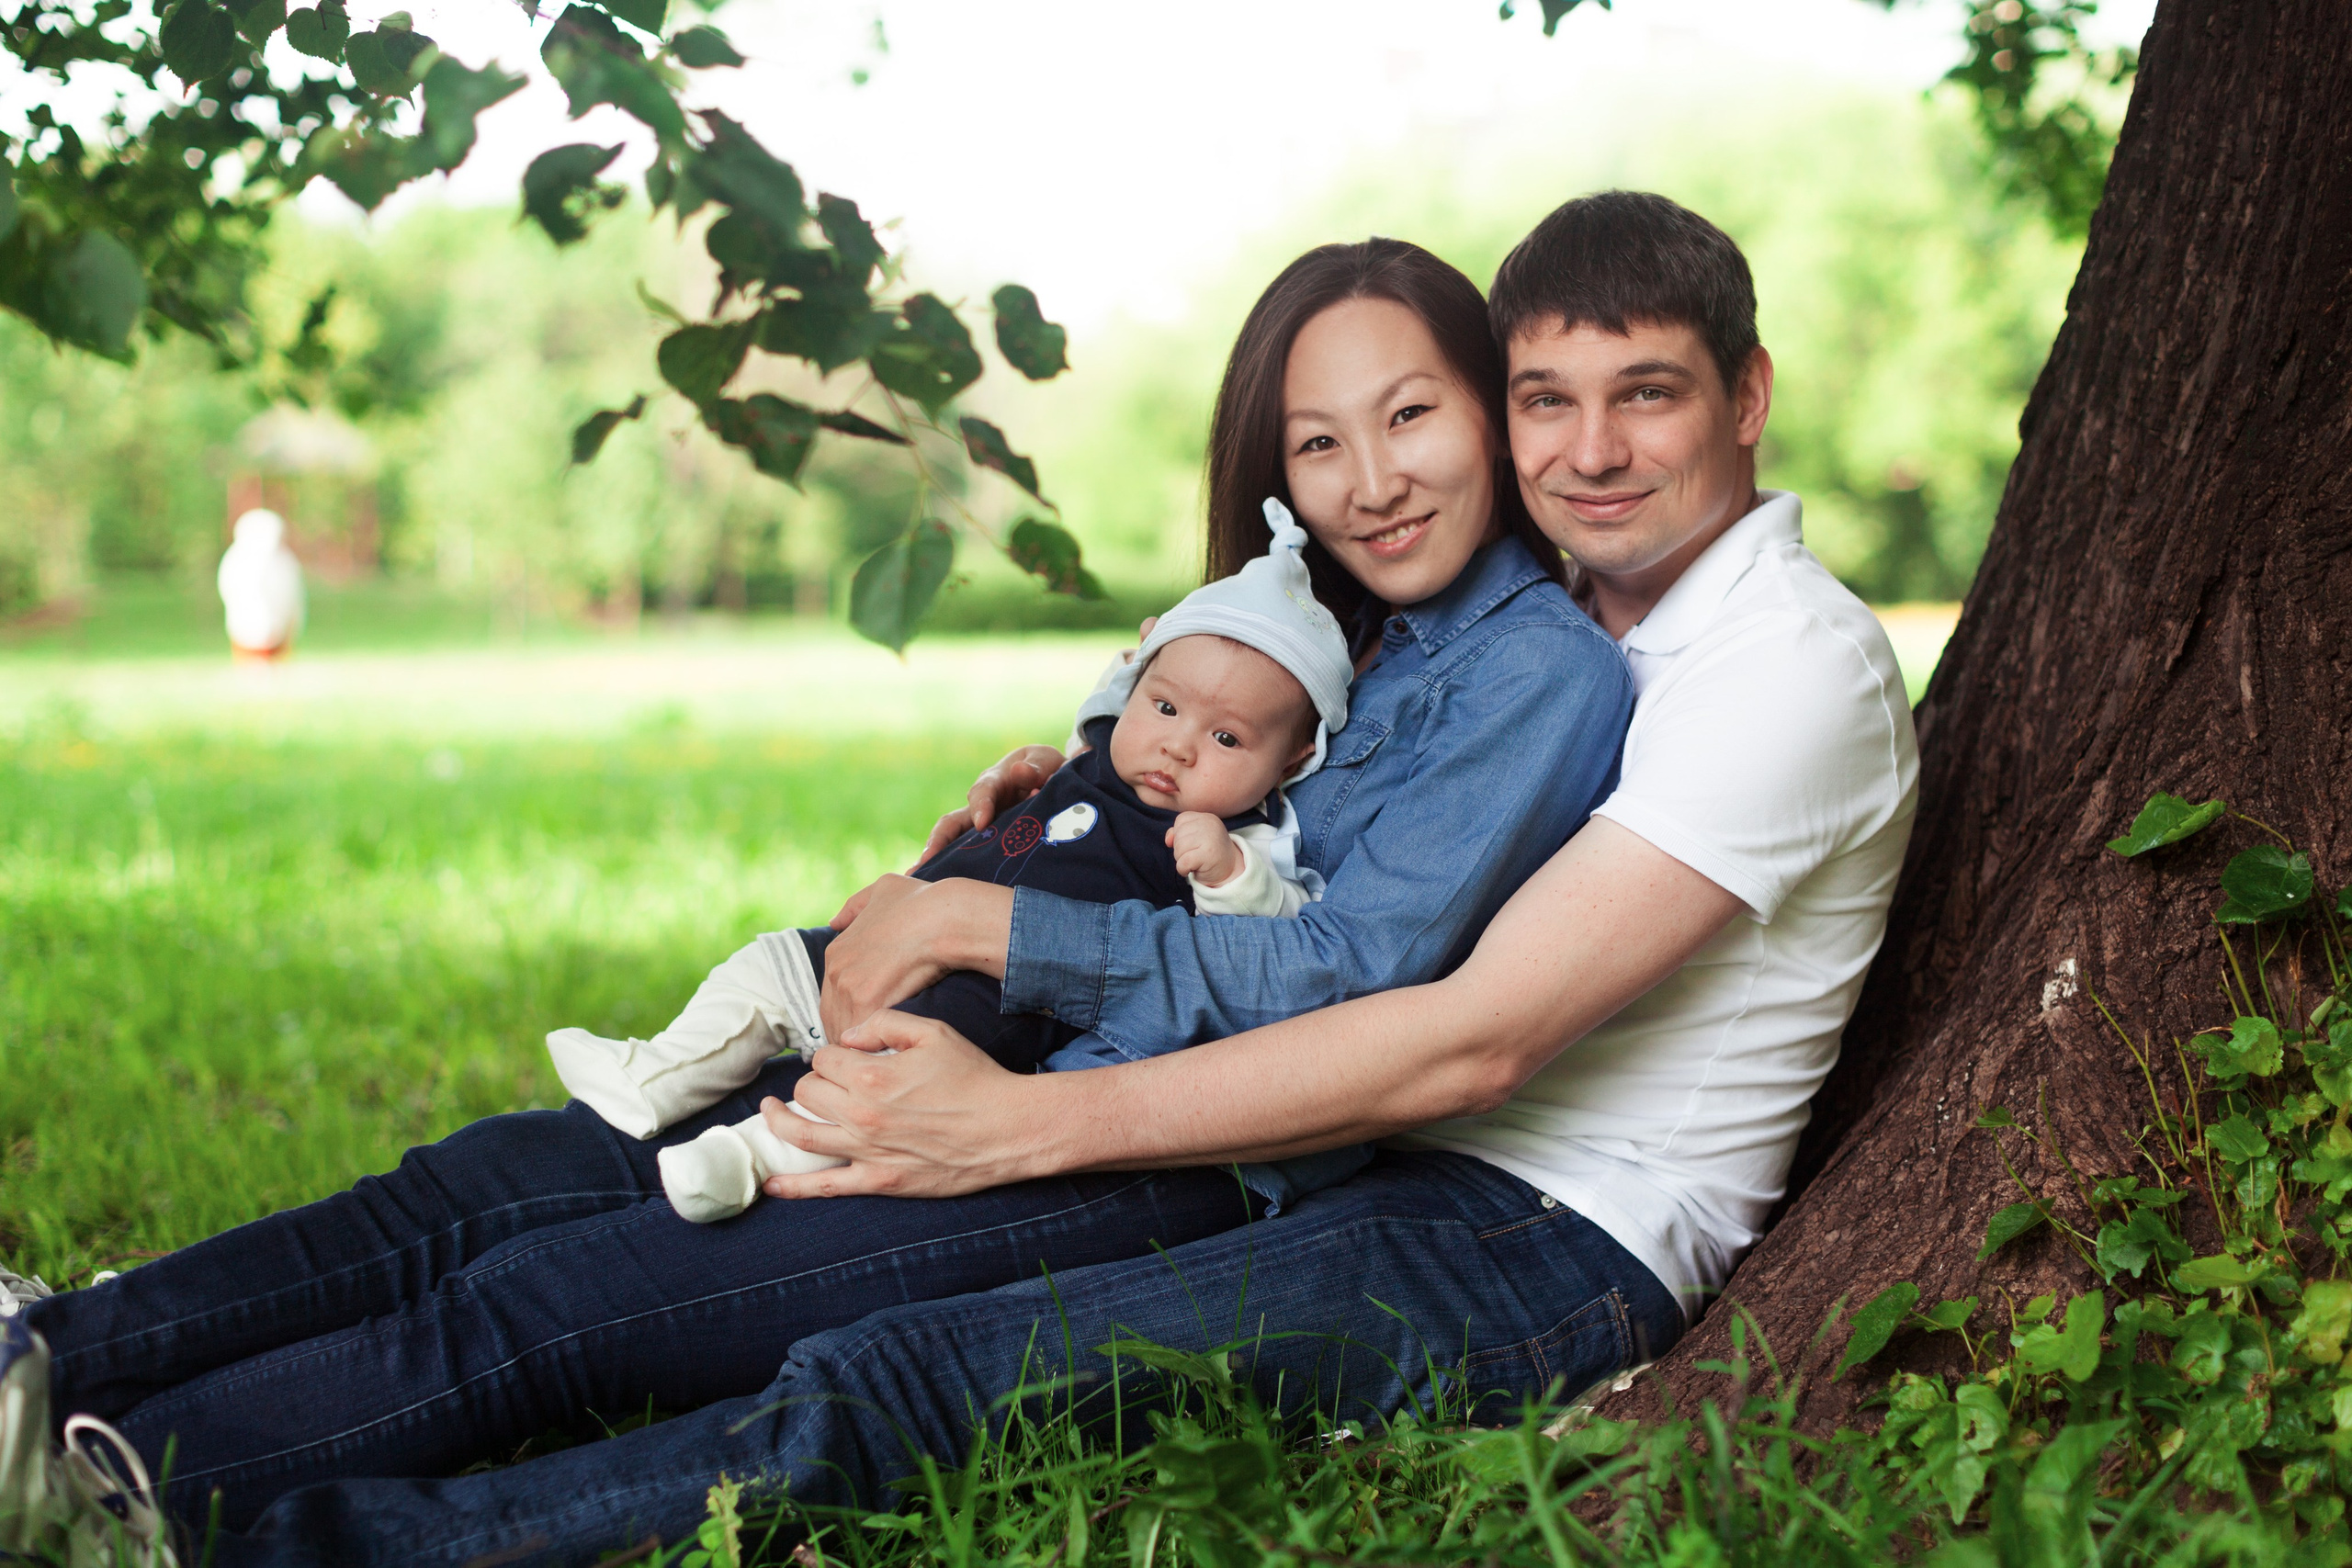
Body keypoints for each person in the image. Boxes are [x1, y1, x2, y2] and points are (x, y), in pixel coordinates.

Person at [0, 234, 1635, 1562]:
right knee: (510, 1172)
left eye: (1411, 417)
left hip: (1158, 1137)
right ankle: (62, 1350)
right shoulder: (1313, 624)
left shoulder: (1536, 674)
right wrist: (1052, 815)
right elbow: (1178, 788)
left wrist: (984, 923)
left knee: (557, 1290)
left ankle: (125, 1482)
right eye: (1319, 442)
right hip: (1005, 1027)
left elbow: (1344, 975)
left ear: (1489, 410)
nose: (1372, 480)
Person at [575, 505, 1357, 1224]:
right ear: (1137, 683)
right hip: (893, 930)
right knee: (769, 966)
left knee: (881, 1090)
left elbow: (1269, 941)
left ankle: (744, 1157)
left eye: (1227, 739)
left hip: (990, 1008)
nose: (1179, 744)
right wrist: (1019, 767)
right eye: (1165, 707)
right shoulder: (1090, 754)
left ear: (1291, 756)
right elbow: (1061, 787)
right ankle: (659, 1074)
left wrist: (1226, 874)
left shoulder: (1243, 835)